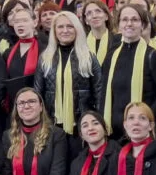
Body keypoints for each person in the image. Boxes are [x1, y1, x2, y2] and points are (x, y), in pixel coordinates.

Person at [99, 4, 156, 140]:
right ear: (118, 25)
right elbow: (104, 93)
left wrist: (145, 116)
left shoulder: (152, 56)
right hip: (114, 131)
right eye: (125, 20)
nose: (129, 23)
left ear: (142, 25)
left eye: (135, 20)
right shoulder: (111, 55)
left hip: (141, 131)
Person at [34, 11, 104, 144]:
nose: (65, 30)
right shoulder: (45, 58)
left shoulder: (89, 57)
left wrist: (97, 121)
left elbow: (99, 93)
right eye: (60, 27)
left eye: (70, 26)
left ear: (77, 29)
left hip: (81, 125)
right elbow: (38, 93)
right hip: (52, 124)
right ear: (54, 31)